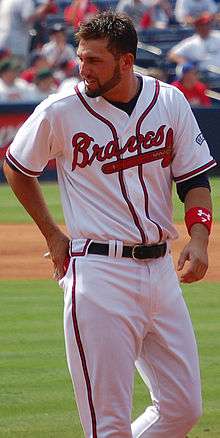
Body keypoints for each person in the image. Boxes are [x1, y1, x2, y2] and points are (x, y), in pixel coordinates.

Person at [3, 11, 217, 438]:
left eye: (94, 60)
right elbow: (16, 165)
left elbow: (194, 180)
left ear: (125, 61)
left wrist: (198, 238)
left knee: (183, 408)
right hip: (99, 275)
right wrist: (52, 232)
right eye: (81, 58)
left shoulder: (169, 101)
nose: (83, 69)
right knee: (109, 425)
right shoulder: (61, 108)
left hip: (160, 273)